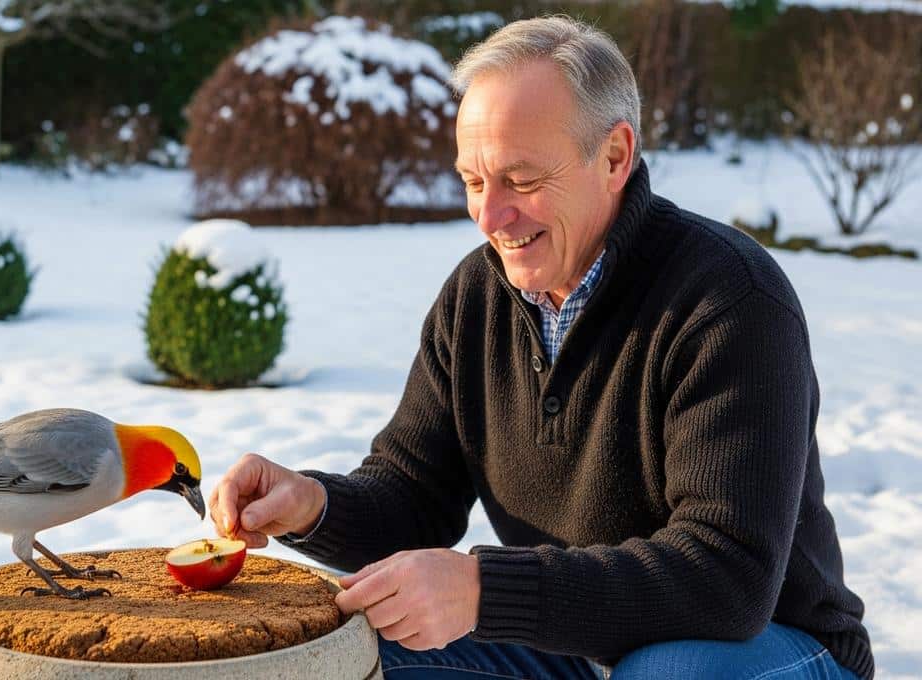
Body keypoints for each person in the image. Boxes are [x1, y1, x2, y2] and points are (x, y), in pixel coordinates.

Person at [208, 15, 872, 680]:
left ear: (613, 157)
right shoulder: (475, 298)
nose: (489, 216)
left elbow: (726, 580)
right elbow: (413, 497)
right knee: (338, 652)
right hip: (574, 644)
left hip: (770, 645)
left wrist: (483, 591)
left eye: (521, 180)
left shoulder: (729, 299)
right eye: (473, 182)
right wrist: (312, 505)